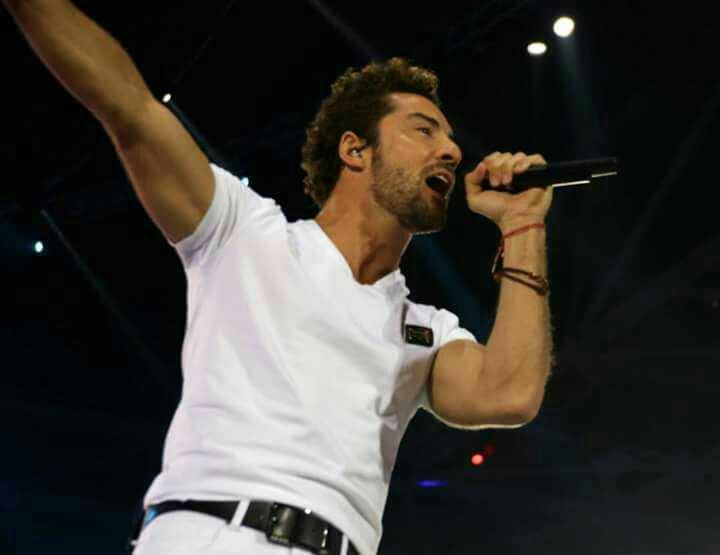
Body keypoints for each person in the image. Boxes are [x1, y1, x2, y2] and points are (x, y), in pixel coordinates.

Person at [4, 1, 555, 554]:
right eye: (424, 130)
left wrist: (523, 223)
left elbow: (509, 394)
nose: (452, 151)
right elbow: (129, 107)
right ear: (355, 150)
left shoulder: (426, 332)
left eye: (450, 139)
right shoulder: (242, 229)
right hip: (213, 531)